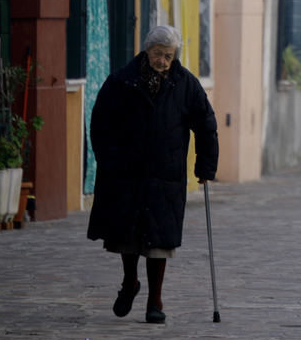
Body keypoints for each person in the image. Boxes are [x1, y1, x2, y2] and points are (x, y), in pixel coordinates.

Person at [87, 25, 219, 324]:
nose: (162, 60)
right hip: (126, 173)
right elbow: (100, 123)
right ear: (147, 52)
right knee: (128, 237)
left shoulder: (186, 84)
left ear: (175, 57)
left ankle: (155, 300)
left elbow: (206, 124)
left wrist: (205, 166)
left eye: (168, 56)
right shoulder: (121, 81)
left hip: (166, 174)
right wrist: (107, 160)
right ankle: (130, 282)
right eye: (158, 54)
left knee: (160, 240)